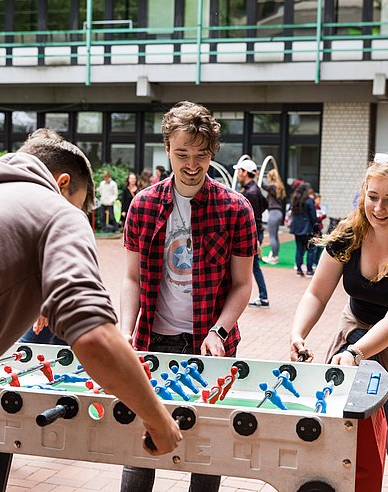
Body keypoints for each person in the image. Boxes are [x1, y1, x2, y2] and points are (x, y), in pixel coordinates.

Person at [0, 129, 182, 490]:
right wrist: (158, 420)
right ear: (62, 182)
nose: (81, 216)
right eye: (81, 205)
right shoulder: (56, 210)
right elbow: (94, 337)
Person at [290, 151, 388, 492]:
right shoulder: (349, 234)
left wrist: (354, 353)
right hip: (358, 333)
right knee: (340, 441)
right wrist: (298, 333)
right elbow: (316, 294)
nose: (378, 208)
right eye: (372, 197)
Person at [121, 101, 256, 492]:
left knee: (206, 448)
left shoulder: (236, 209)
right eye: (182, 154)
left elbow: (242, 284)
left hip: (209, 344)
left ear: (212, 153)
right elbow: (130, 278)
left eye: (200, 155)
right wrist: (127, 330)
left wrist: (220, 329)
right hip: (152, 341)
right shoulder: (143, 205)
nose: (192, 164)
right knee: (141, 444)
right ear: (167, 149)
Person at [234, 159, 269, 308]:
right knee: (253, 266)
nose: (237, 174)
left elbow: (254, 218)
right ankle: (263, 297)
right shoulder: (254, 190)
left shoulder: (251, 193)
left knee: (253, 267)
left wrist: (255, 240)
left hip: (251, 235)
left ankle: (263, 297)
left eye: (239, 171)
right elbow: (264, 206)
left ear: (244, 172)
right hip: (254, 234)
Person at [289, 182, 318, 277]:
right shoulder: (309, 201)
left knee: (299, 249)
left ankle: (299, 270)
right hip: (308, 228)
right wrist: (316, 229)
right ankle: (309, 271)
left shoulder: (294, 200)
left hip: (296, 227)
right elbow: (313, 217)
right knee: (311, 249)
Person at [261, 168, 286, 265]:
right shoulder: (279, 187)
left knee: (272, 236)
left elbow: (264, 186)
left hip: (273, 213)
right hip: (278, 212)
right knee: (275, 236)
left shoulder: (272, 186)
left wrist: (258, 176)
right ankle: (275, 255)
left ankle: (274, 256)